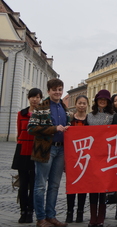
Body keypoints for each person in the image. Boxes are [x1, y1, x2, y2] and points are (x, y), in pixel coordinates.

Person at [28, 78, 70, 227]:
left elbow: (68, 125)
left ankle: (51, 216)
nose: (58, 92)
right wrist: (54, 129)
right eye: (55, 90)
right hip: (45, 149)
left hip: (60, 150)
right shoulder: (41, 107)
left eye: (60, 89)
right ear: (48, 91)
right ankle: (40, 218)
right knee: (40, 185)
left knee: (54, 185)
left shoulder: (64, 108)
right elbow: (31, 128)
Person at [12, 87, 43, 224]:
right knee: (23, 184)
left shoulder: (42, 114)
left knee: (34, 184)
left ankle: (30, 211)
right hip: (23, 149)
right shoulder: (21, 113)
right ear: (28, 98)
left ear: (40, 99)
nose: (35, 99)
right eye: (32, 97)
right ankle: (23, 211)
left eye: (37, 97)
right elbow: (19, 132)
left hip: (36, 151)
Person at [86, 90, 114, 227]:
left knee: (103, 187)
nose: (102, 101)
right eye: (100, 99)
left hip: (106, 155)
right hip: (92, 155)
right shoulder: (89, 116)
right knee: (93, 187)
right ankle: (93, 217)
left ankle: (101, 217)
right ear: (96, 100)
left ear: (108, 101)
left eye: (105, 99)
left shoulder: (112, 116)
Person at [65, 95, 89, 224]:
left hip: (86, 156)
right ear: (75, 104)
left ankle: (80, 212)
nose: (81, 105)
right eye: (79, 103)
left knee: (83, 186)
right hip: (72, 156)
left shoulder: (89, 119)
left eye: (84, 103)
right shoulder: (69, 119)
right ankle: (69, 212)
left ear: (87, 105)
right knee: (72, 185)